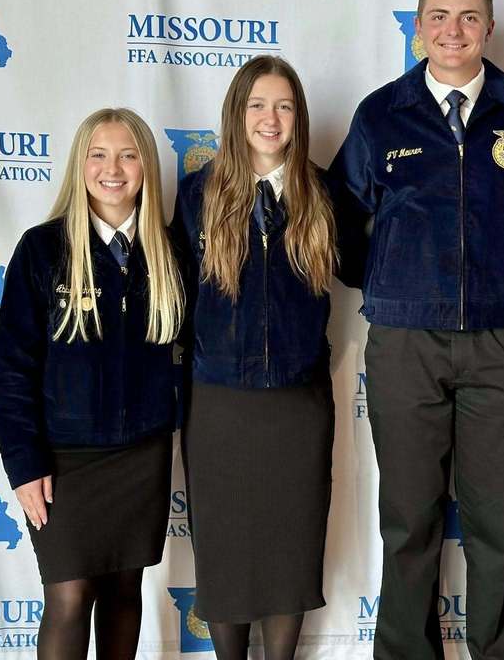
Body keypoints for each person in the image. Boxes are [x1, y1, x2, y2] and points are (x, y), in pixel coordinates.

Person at [327, 0, 504, 660]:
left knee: (497, 524)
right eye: (438, 16)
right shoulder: (381, 115)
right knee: (408, 521)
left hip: (502, 341)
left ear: (488, 30)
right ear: (418, 27)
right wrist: (387, 283)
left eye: (467, 18)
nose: (452, 31)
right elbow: (339, 216)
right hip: (405, 344)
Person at [0, 108, 184, 659]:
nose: (112, 168)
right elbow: (10, 372)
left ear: (145, 165)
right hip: (64, 460)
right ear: (80, 166)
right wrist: (25, 466)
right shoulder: (42, 250)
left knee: (125, 588)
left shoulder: (168, 253)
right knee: (70, 595)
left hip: (142, 452)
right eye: (98, 155)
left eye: (127, 154)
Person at [172, 55, 338, 660]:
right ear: (237, 114)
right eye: (259, 105)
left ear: (299, 117)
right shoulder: (198, 194)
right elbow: (176, 300)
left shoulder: (321, 192)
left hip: (298, 399)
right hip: (219, 401)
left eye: (285, 106)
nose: (272, 118)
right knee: (226, 545)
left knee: (292, 543)